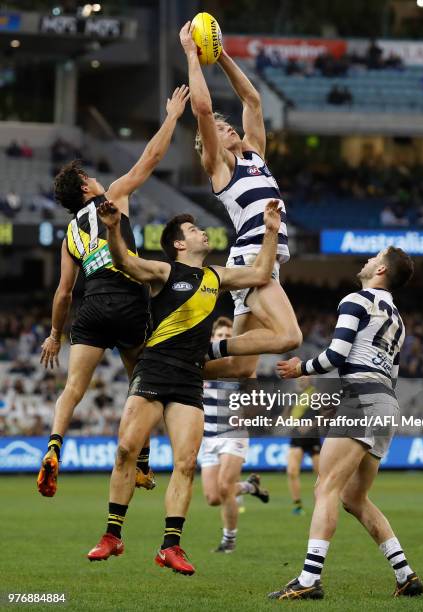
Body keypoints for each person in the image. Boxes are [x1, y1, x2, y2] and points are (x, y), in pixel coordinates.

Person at [87, 199, 282, 575]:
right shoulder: (164, 270)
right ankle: (112, 535)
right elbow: (127, 261)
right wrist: (112, 228)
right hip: (154, 369)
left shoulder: (216, 276)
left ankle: (171, 546)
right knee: (127, 448)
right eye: (193, 230)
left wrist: (271, 231)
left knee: (187, 463)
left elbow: (260, 273)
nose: (201, 232)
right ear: (179, 243)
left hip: (190, 376)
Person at [36, 86, 190, 498]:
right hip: (127, 297)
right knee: (140, 384)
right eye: (89, 177)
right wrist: (172, 116)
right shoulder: (113, 198)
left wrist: (54, 335)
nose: (95, 178)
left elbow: (64, 293)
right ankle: (141, 461)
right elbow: (150, 160)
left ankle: (53, 448)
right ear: (86, 188)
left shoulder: (70, 232)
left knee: (73, 389)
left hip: (91, 306)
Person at [269, 246, 423, 600]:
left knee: (326, 488)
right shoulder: (397, 319)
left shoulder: (356, 299)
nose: (367, 260)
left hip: (362, 401)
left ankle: (309, 580)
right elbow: (392, 375)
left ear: (382, 269)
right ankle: (405, 574)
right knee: (355, 497)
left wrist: (300, 368)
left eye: (374, 258)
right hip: (386, 403)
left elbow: (336, 355)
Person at [179, 21, 302, 381]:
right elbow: (202, 109)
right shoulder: (218, 165)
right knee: (290, 336)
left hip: (265, 259)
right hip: (252, 260)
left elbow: (253, 99)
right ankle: (202, 347)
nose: (227, 127)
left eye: (227, 125)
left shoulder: (255, 155)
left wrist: (220, 56)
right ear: (209, 143)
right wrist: (192, 55)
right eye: (220, 129)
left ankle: (171, 367)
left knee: (241, 368)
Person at [200, 316, 269, 554]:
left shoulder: (240, 367)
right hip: (207, 438)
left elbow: (257, 403)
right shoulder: (202, 365)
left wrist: (247, 411)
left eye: (228, 337)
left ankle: (228, 541)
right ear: (212, 339)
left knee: (224, 485)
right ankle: (250, 487)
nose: (223, 340)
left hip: (233, 433)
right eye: (220, 336)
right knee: (213, 497)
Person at [286, 378, 321, 516]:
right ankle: (297, 505)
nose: (301, 379)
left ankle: (319, 505)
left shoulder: (316, 394)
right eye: (299, 377)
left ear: (310, 378)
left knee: (320, 474)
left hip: (313, 438)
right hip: (296, 436)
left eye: (304, 376)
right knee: (292, 471)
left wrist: (310, 425)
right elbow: (287, 414)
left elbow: (325, 415)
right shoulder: (292, 395)